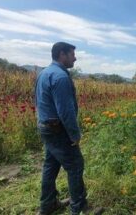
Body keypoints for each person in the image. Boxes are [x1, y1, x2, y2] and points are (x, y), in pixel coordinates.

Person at [35, 42, 95, 215]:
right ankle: (79, 208)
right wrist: (74, 135)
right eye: (72, 54)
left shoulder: (44, 73)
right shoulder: (60, 77)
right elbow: (65, 111)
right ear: (62, 54)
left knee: (51, 165)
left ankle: (48, 205)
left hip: (46, 127)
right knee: (75, 165)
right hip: (58, 129)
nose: (75, 58)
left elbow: (37, 101)